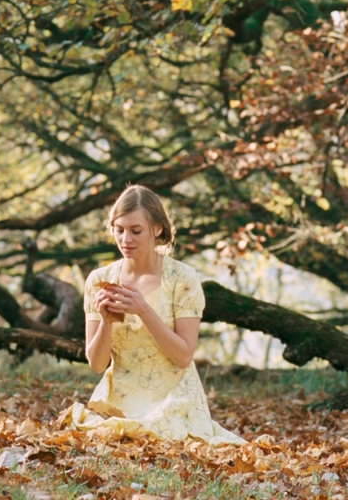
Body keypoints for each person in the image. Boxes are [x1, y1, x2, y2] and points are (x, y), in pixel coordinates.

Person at [58, 185, 245, 445]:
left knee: (155, 434)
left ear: (157, 229)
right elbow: (97, 364)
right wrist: (106, 323)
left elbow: (183, 356)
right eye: (119, 230)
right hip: (120, 397)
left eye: (136, 231)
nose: (125, 240)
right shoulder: (100, 280)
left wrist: (144, 311)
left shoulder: (182, 278)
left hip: (174, 394)